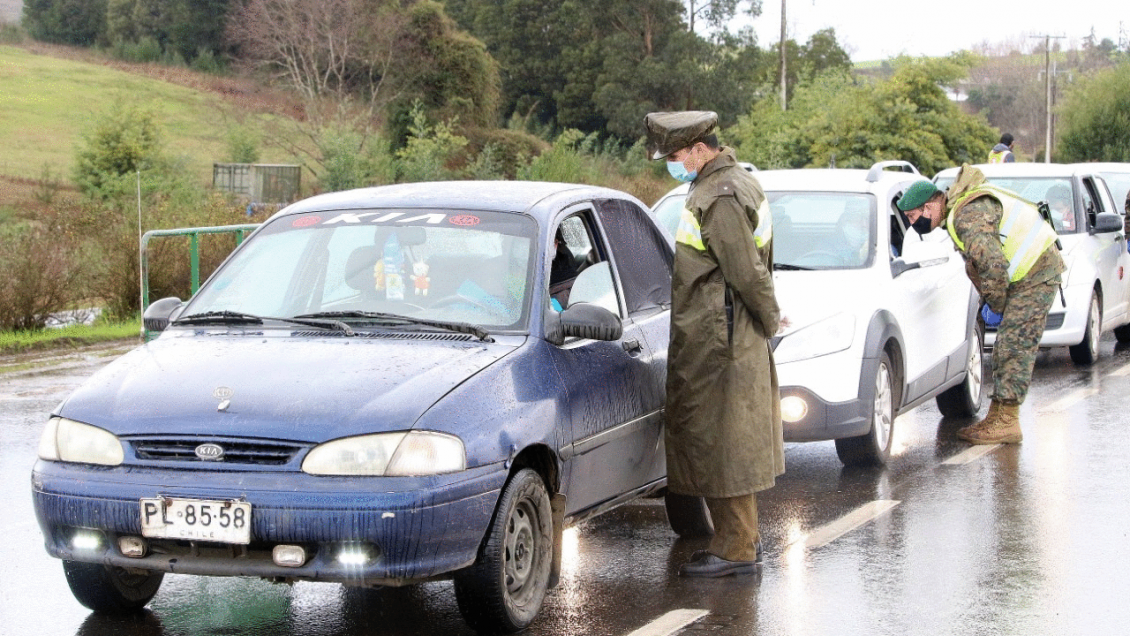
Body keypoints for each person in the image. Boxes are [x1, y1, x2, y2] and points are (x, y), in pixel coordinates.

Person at [644, 110, 784, 577]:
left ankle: (736, 547)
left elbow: (747, 272)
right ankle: (743, 540)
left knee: (723, 441)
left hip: (720, 338)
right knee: (725, 437)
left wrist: (770, 320)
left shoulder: (718, 194)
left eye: (676, 155)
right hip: (721, 331)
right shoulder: (731, 182)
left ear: (700, 149)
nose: (672, 164)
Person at [896, 165, 1064, 444]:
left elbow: (992, 264)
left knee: (1014, 346)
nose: (914, 224)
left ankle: (1007, 422)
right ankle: (998, 416)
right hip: (1030, 271)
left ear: (929, 207)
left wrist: (996, 304)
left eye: (913, 217)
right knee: (1005, 346)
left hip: (1036, 272)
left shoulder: (966, 216)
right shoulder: (961, 208)